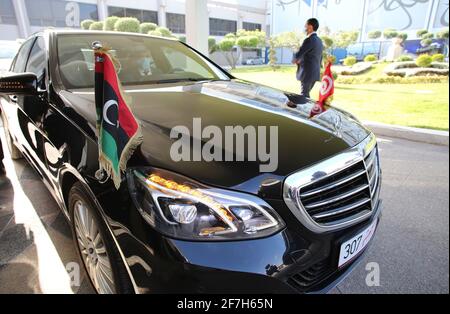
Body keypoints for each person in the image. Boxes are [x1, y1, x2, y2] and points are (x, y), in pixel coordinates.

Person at [292, 18, 324, 98]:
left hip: (307, 74)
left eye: (305, 26)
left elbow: (299, 53)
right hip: (314, 73)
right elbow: (314, 56)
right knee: (306, 94)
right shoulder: (319, 41)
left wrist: (295, 58)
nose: (305, 28)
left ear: (310, 26)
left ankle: (306, 110)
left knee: (304, 95)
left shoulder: (309, 40)